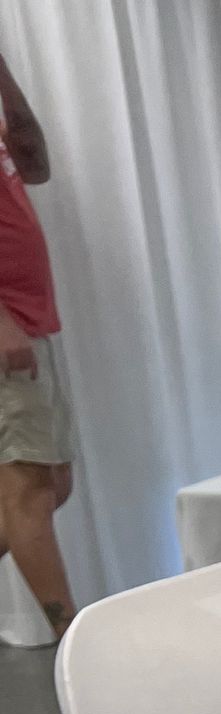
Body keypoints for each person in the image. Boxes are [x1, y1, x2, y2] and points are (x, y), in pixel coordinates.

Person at [0, 49, 73, 640]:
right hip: (8, 327)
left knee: (54, 485)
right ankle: (70, 638)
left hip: (31, 323)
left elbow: (36, 161)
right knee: (28, 489)